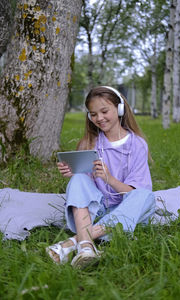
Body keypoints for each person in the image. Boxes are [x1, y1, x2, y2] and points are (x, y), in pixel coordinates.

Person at [46, 86, 155, 269]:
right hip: (99, 211)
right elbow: (86, 189)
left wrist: (109, 178)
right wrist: (75, 174)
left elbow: (133, 193)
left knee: (146, 196)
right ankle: (87, 247)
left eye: (104, 111)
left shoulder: (137, 144)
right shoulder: (89, 143)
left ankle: (76, 243)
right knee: (78, 180)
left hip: (128, 209)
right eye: (93, 114)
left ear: (119, 109)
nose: (99, 118)